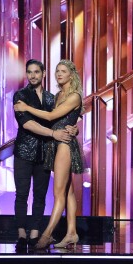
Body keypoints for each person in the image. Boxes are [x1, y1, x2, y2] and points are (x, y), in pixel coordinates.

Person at [14, 59, 84, 250]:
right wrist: (72, 127)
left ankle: (45, 236)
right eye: (57, 71)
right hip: (46, 146)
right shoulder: (56, 95)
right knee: (67, 191)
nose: (59, 74)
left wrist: (74, 129)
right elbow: (60, 120)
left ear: (71, 74)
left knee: (57, 193)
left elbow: (53, 117)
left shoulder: (70, 96)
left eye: (63, 71)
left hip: (61, 144)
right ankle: (71, 232)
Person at [12, 59, 55, 253]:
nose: (33, 75)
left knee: (40, 195)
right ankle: (21, 233)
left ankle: (35, 233)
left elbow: (58, 120)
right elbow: (27, 124)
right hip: (23, 151)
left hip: (44, 152)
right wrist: (52, 133)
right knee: (21, 194)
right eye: (29, 72)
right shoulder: (20, 95)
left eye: (37, 72)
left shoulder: (51, 98)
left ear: (43, 73)